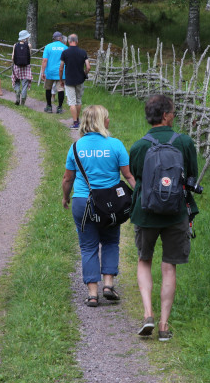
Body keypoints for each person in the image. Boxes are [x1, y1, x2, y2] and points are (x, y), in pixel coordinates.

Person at [129, 94, 199, 341]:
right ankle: (164, 325)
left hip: (145, 213)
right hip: (176, 212)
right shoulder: (184, 143)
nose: (175, 114)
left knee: (144, 260)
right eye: (173, 111)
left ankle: (147, 313)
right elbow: (191, 177)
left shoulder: (138, 147)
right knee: (169, 266)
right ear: (165, 115)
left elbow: (137, 177)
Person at [62, 105, 135, 307]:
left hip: (83, 202)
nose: (109, 121)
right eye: (107, 117)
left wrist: (65, 198)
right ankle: (108, 285)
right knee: (111, 242)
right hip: (110, 205)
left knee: (88, 247)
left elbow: (68, 179)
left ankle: (92, 294)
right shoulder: (116, 145)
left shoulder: (76, 147)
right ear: (102, 122)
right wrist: (140, 196)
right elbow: (128, 176)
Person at [59, 34, 91, 129]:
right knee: (78, 100)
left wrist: (61, 79)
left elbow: (61, 68)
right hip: (80, 79)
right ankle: (77, 119)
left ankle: (75, 123)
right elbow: (88, 67)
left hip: (69, 80)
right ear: (77, 41)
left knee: (72, 102)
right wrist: (84, 73)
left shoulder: (65, 52)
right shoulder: (83, 52)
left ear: (69, 41)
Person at [41, 31, 67, 113]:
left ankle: (49, 107)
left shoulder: (48, 47)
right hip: (61, 73)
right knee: (61, 89)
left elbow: (45, 60)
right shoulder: (65, 48)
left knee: (48, 89)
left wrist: (42, 72)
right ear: (60, 38)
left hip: (50, 72)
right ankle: (59, 108)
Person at [11, 30, 32, 106]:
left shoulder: (15, 45)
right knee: (25, 84)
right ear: (25, 37)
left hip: (17, 67)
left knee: (17, 82)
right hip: (26, 67)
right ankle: (22, 102)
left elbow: (13, 57)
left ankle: (17, 94)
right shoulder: (29, 45)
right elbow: (29, 55)